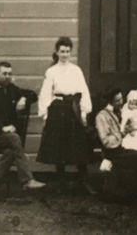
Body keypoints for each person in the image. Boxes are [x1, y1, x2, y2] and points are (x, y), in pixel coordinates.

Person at [0, 61, 46, 199]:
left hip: (3, 138)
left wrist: (23, 98)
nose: (7, 76)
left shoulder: (12, 89)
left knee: (11, 153)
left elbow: (33, 95)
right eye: (4, 73)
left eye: (9, 74)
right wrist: (2, 128)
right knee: (14, 138)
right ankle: (27, 180)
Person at [36, 36, 94, 193]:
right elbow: (46, 93)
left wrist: (83, 111)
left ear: (71, 52)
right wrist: (46, 113)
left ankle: (83, 180)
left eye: (68, 51)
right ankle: (61, 182)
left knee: (78, 145)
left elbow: (83, 91)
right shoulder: (51, 71)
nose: (65, 54)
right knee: (59, 146)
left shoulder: (76, 70)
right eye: (62, 51)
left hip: (73, 107)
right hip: (58, 108)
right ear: (57, 52)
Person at [95, 87, 137, 204]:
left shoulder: (124, 111)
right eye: (117, 101)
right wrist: (123, 133)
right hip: (114, 151)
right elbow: (107, 142)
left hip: (127, 146)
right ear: (110, 101)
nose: (121, 102)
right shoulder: (102, 117)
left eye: (121, 99)